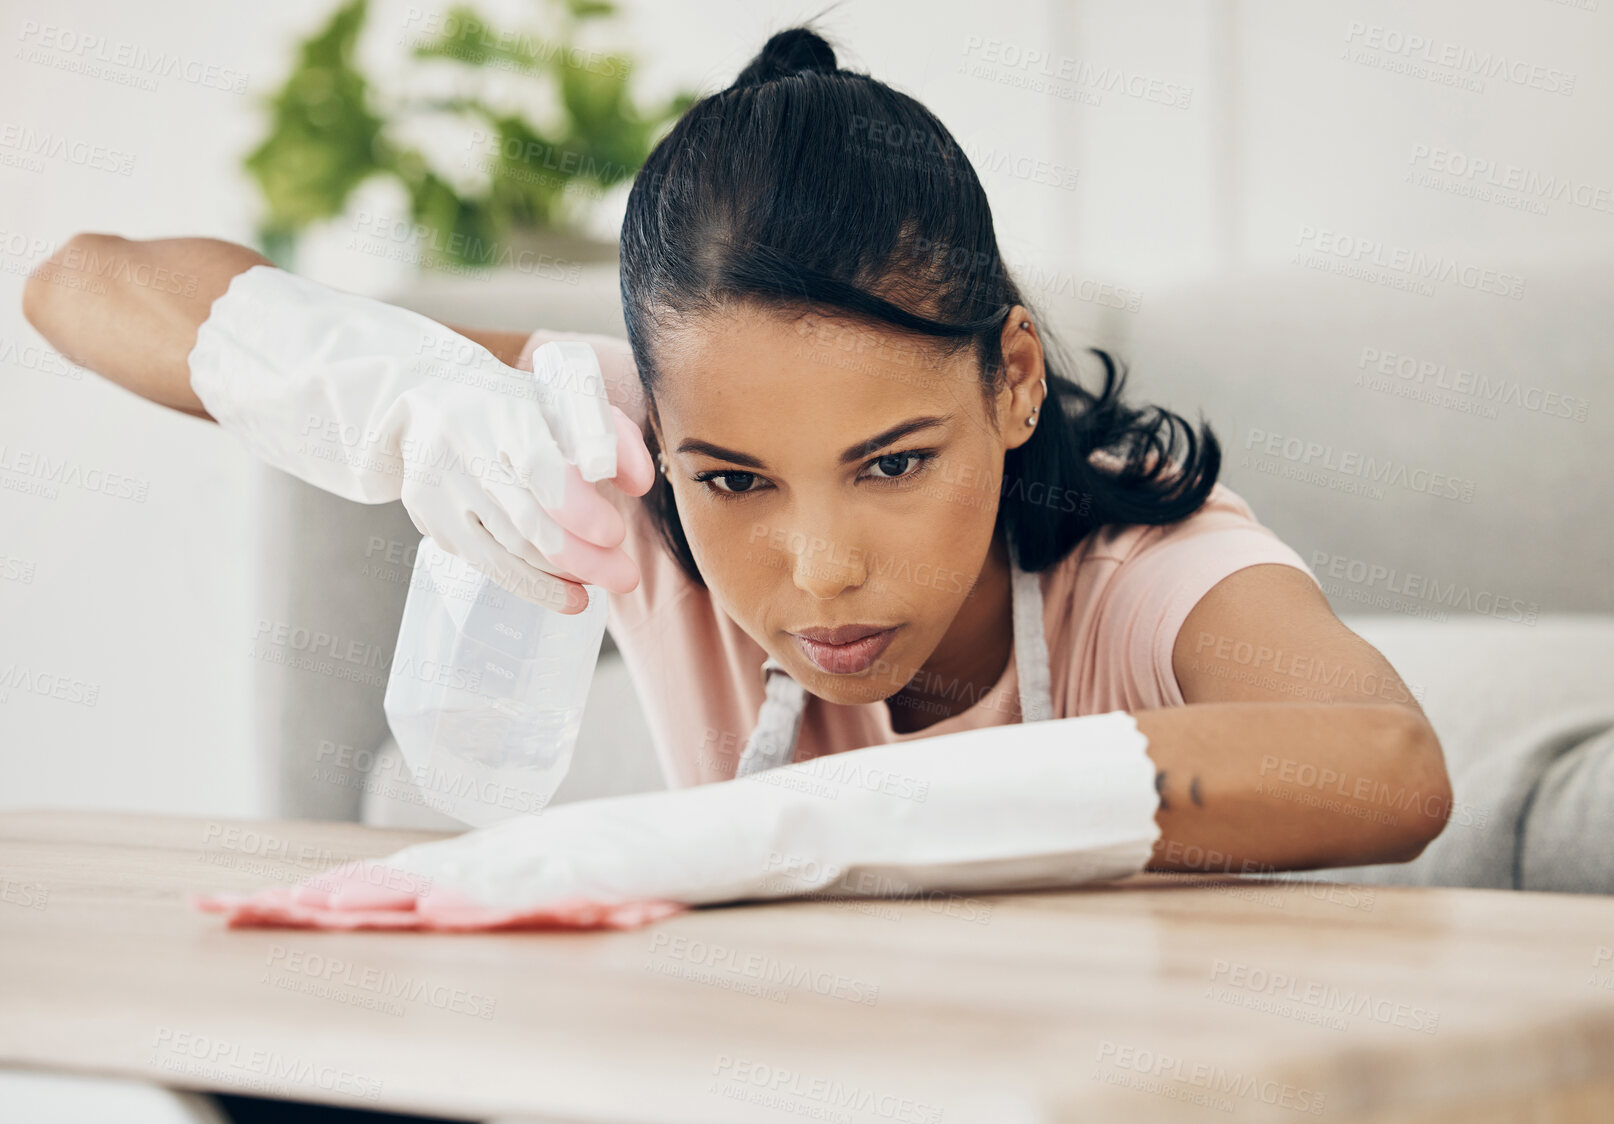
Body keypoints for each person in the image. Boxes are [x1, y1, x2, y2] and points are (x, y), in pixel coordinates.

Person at [22, 26, 1452, 880]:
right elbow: (81, 282)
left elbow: (1385, 768)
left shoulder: (1140, 574)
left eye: (891, 463)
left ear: (1010, 379)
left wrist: (861, 814)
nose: (819, 573)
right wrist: (402, 396)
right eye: (736, 481)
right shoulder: (626, 465)